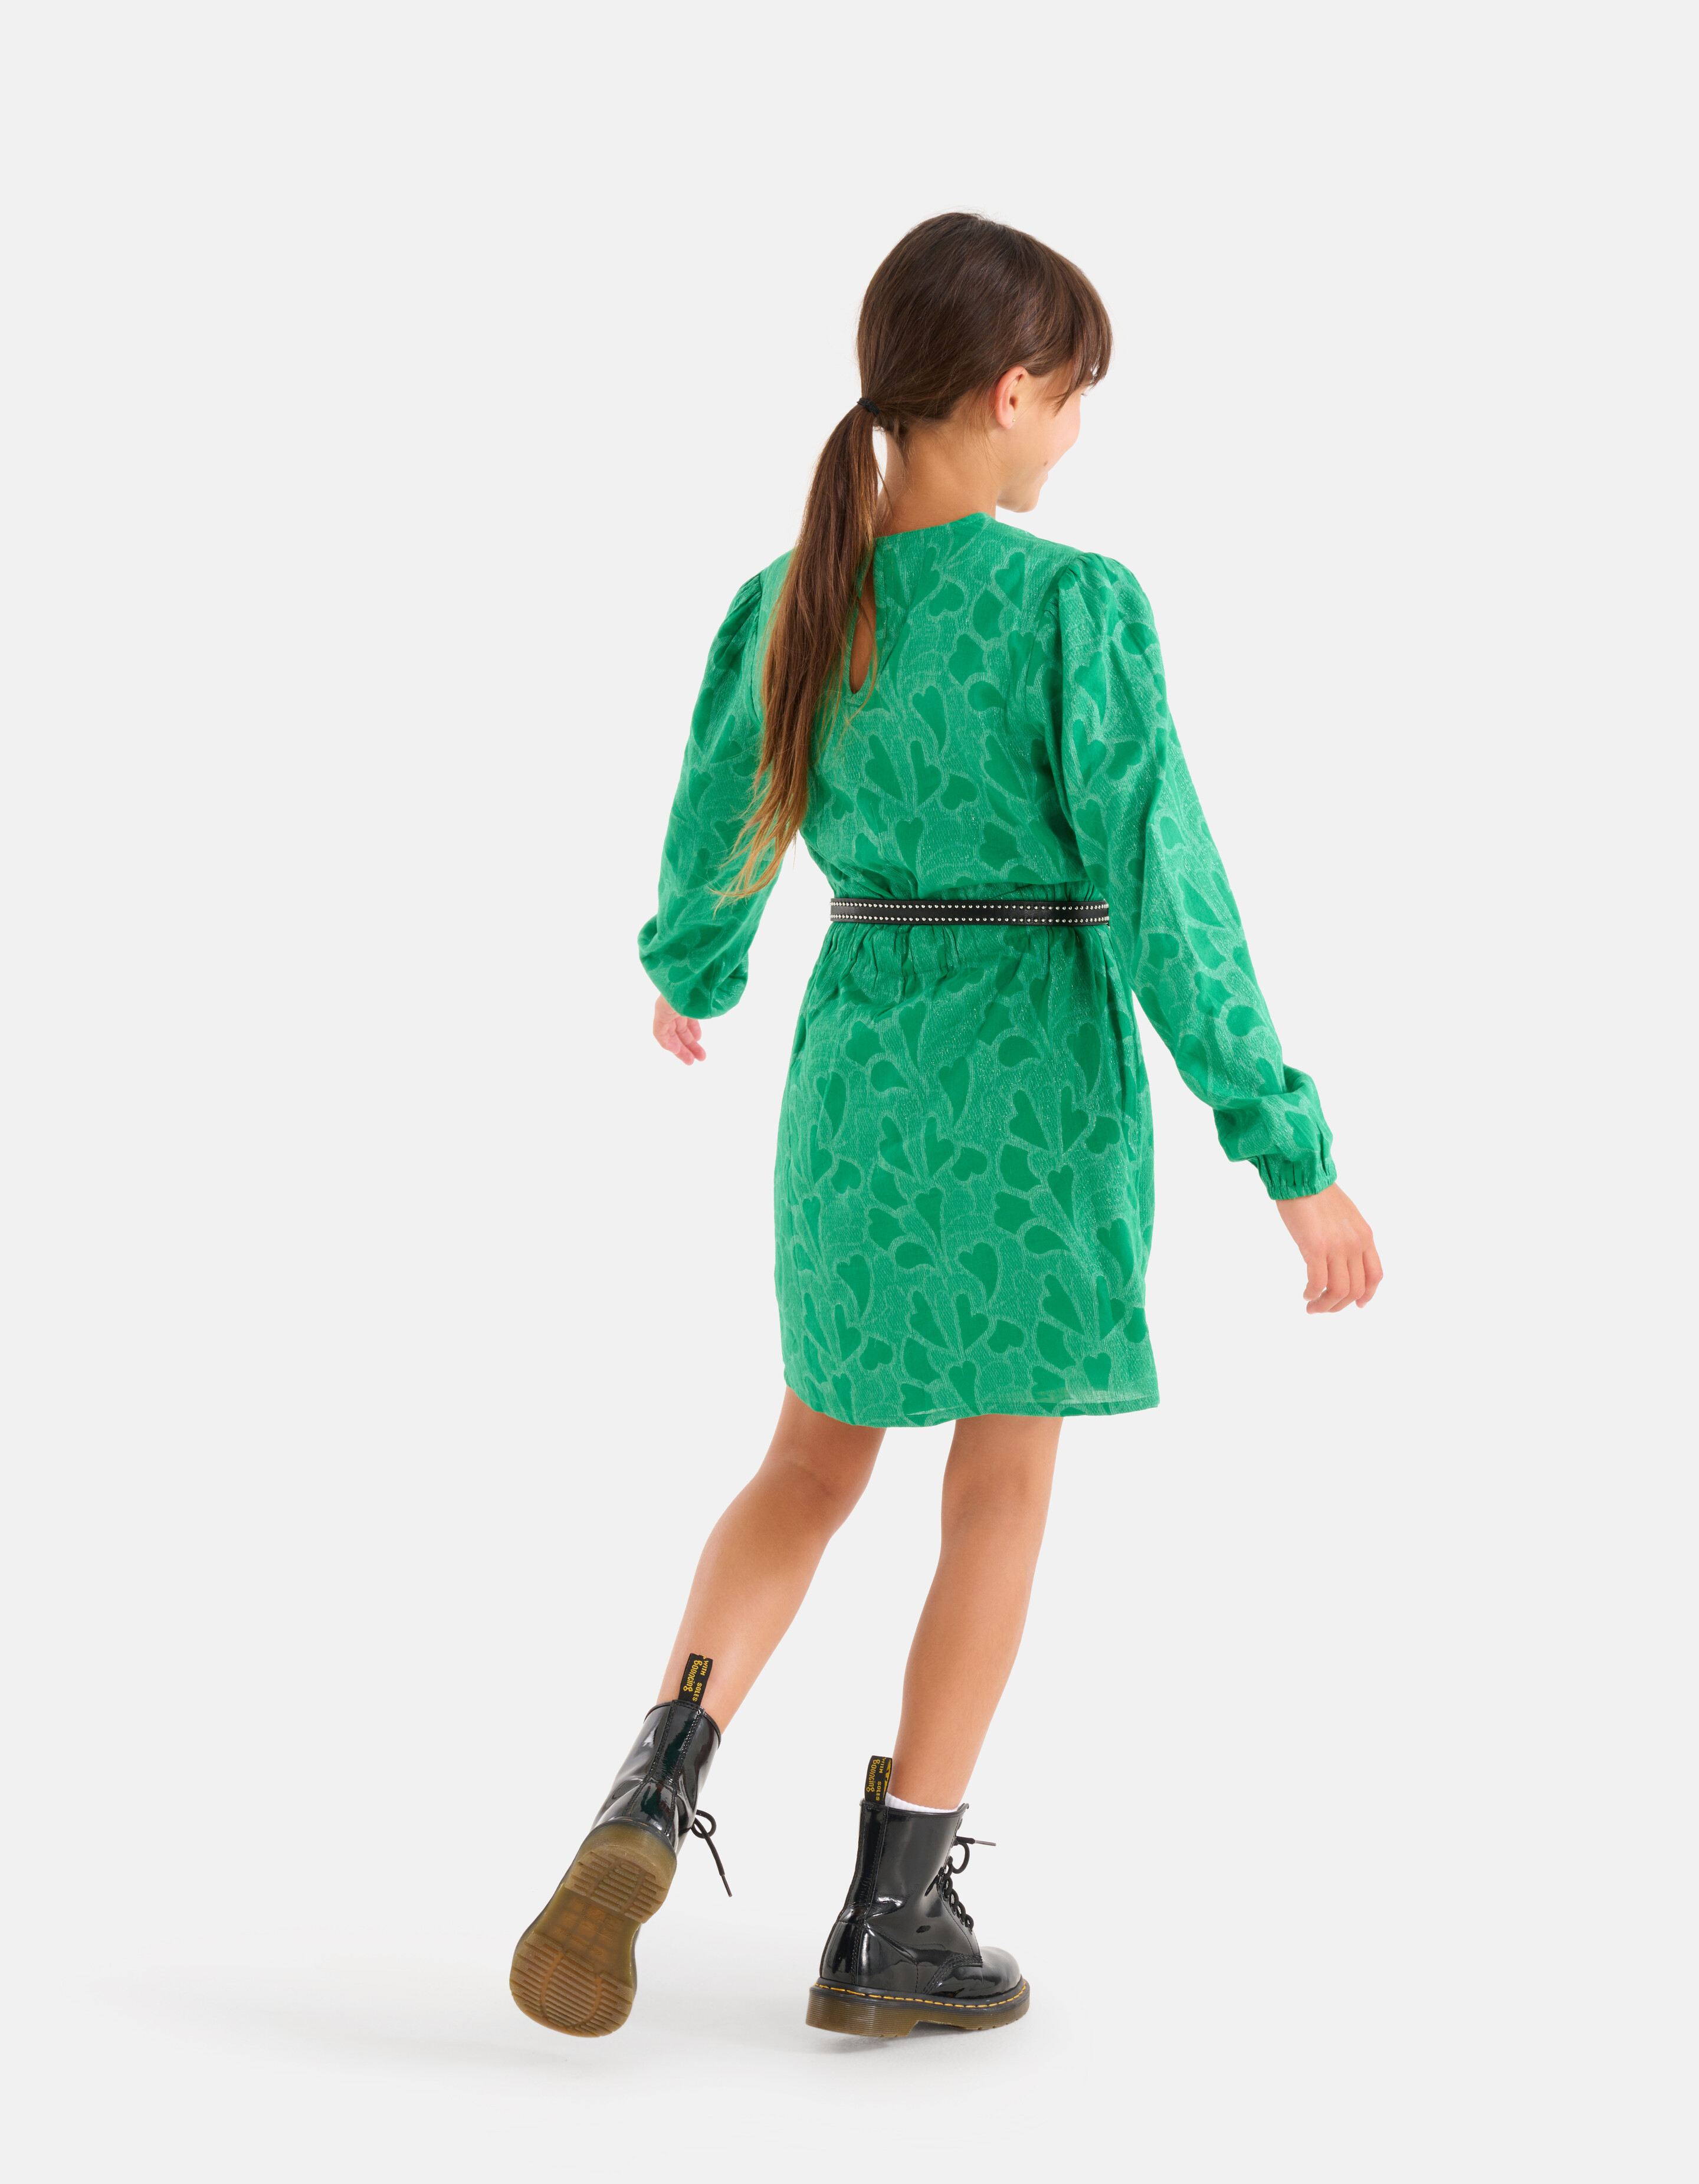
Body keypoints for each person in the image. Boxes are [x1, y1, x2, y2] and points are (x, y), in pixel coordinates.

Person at [510, 211, 1382, 2043]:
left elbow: (721, 817)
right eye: (1073, 397)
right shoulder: (1077, 606)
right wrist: (1287, 1148)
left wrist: (694, 971)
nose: (1077, 432)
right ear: (1008, 392)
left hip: (859, 1067)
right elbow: (1168, 885)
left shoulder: (795, 594)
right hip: (1034, 1076)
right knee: (999, 1484)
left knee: (808, 1464)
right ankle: (894, 1916)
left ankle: (654, 1783)